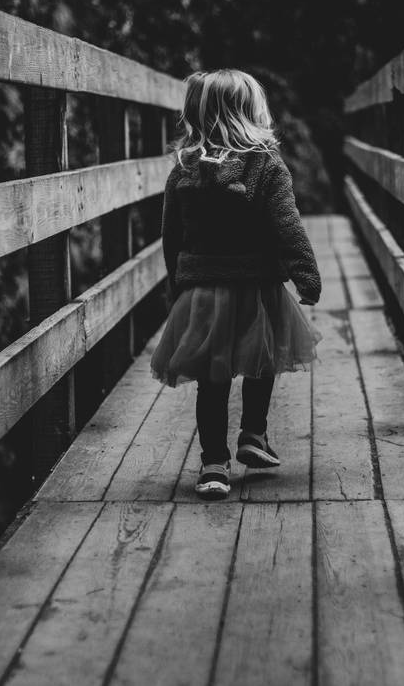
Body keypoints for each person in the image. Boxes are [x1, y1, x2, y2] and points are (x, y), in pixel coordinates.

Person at [150, 69, 323, 497]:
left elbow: (171, 233)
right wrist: (306, 275)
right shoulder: (267, 165)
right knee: (262, 360)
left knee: (213, 379)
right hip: (258, 288)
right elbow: (288, 226)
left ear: (196, 114)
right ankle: (253, 434)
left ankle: (213, 464)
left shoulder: (183, 170)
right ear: (252, 113)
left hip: (204, 291)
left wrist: (177, 282)